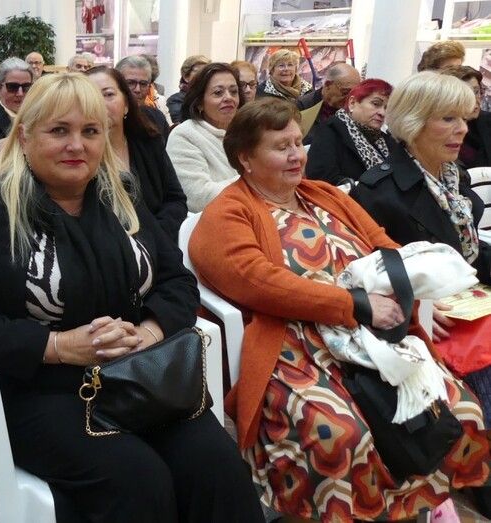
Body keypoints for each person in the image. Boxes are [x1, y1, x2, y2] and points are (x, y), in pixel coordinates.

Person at [0, 72, 263, 523]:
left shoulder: (119, 196)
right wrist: (59, 346)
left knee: (217, 466)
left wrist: (148, 332)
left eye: (91, 131)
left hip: (138, 379)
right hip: (39, 390)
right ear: (25, 137)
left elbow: (177, 283)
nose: (76, 145)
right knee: (139, 480)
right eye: (59, 130)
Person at [190, 96, 491, 522]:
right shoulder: (226, 213)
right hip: (296, 344)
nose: (297, 155)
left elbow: (381, 243)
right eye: (281, 147)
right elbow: (257, 281)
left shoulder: (324, 194)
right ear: (245, 158)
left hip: (374, 334)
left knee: (459, 408)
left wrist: (411, 285)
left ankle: (411, 508)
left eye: (298, 142)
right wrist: (352, 304)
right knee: (343, 434)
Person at [351, 72, 491, 286]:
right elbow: (376, 275)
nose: (463, 129)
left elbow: (468, 250)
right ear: (413, 121)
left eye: (464, 118)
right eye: (448, 118)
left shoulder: (453, 177)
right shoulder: (378, 192)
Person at [87, 66, 188, 239]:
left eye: (108, 94)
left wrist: (153, 238)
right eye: (90, 96)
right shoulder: (79, 154)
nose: (100, 103)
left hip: (160, 241)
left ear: (126, 104)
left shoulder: (149, 142)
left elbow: (175, 199)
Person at [166, 63, 242, 212]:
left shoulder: (246, 131)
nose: (228, 97)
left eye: (234, 92)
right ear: (199, 102)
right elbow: (198, 198)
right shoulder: (185, 135)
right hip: (212, 219)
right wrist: (255, 180)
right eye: (218, 93)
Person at [306, 79, 397, 186]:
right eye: (376, 104)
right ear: (352, 103)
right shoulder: (330, 131)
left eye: (386, 108)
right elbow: (322, 179)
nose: (382, 113)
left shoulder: (386, 139)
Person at [296, 62, 361, 144]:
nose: (349, 98)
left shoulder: (354, 109)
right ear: (328, 85)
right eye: (345, 92)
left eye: (354, 94)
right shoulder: (303, 105)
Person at [442, 65, 491, 169]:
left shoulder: (488, 122)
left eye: (476, 91)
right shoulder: (441, 129)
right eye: (465, 94)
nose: (474, 100)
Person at [115, 55, 170, 135]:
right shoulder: (109, 119)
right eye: (130, 83)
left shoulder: (157, 118)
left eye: (143, 84)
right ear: (117, 83)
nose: (138, 89)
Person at [166, 55, 209, 124]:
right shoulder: (176, 100)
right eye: (199, 72)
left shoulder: (212, 97)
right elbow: (180, 123)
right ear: (186, 77)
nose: (203, 75)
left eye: (207, 72)